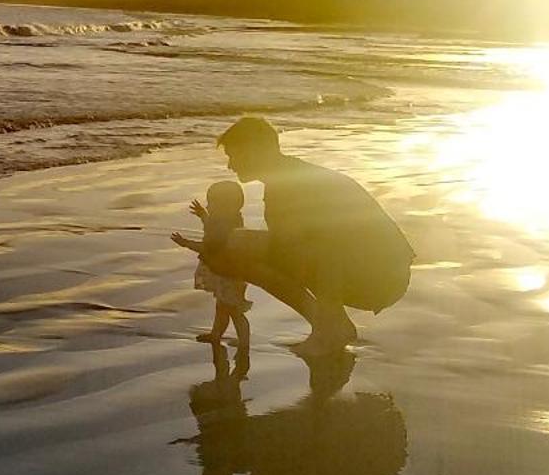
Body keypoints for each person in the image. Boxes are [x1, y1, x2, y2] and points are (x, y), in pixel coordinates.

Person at [171, 116, 411, 352]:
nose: (230, 165)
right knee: (236, 247)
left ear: (255, 150)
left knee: (243, 246)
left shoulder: (292, 183)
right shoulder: (287, 178)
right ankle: (330, 324)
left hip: (380, 277)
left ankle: (328, 327)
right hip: (372, 269)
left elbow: (320, 249)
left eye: (233, 155)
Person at [187, 179, 252, 363]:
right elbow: (212, 228)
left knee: (233, 310)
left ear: (227, 206)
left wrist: (187, 243)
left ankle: (245, 343)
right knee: (222, 307)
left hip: (230, 274)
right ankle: (216, 334)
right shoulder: (228, 220)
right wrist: (204, 216)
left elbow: (211, 244)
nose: (209, 206)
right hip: (227, 273)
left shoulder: (229, 226)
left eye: (212, 203)